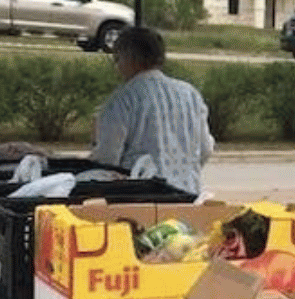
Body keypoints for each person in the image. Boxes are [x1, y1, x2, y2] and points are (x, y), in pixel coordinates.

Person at [90, 25, 215, 194]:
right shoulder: (189, 94)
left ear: (127, 58)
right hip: (188, 194)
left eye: (117, 60)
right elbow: (206, 148)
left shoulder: (123, 99)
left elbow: (107, 159)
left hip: (142, 197)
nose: (117, 68)